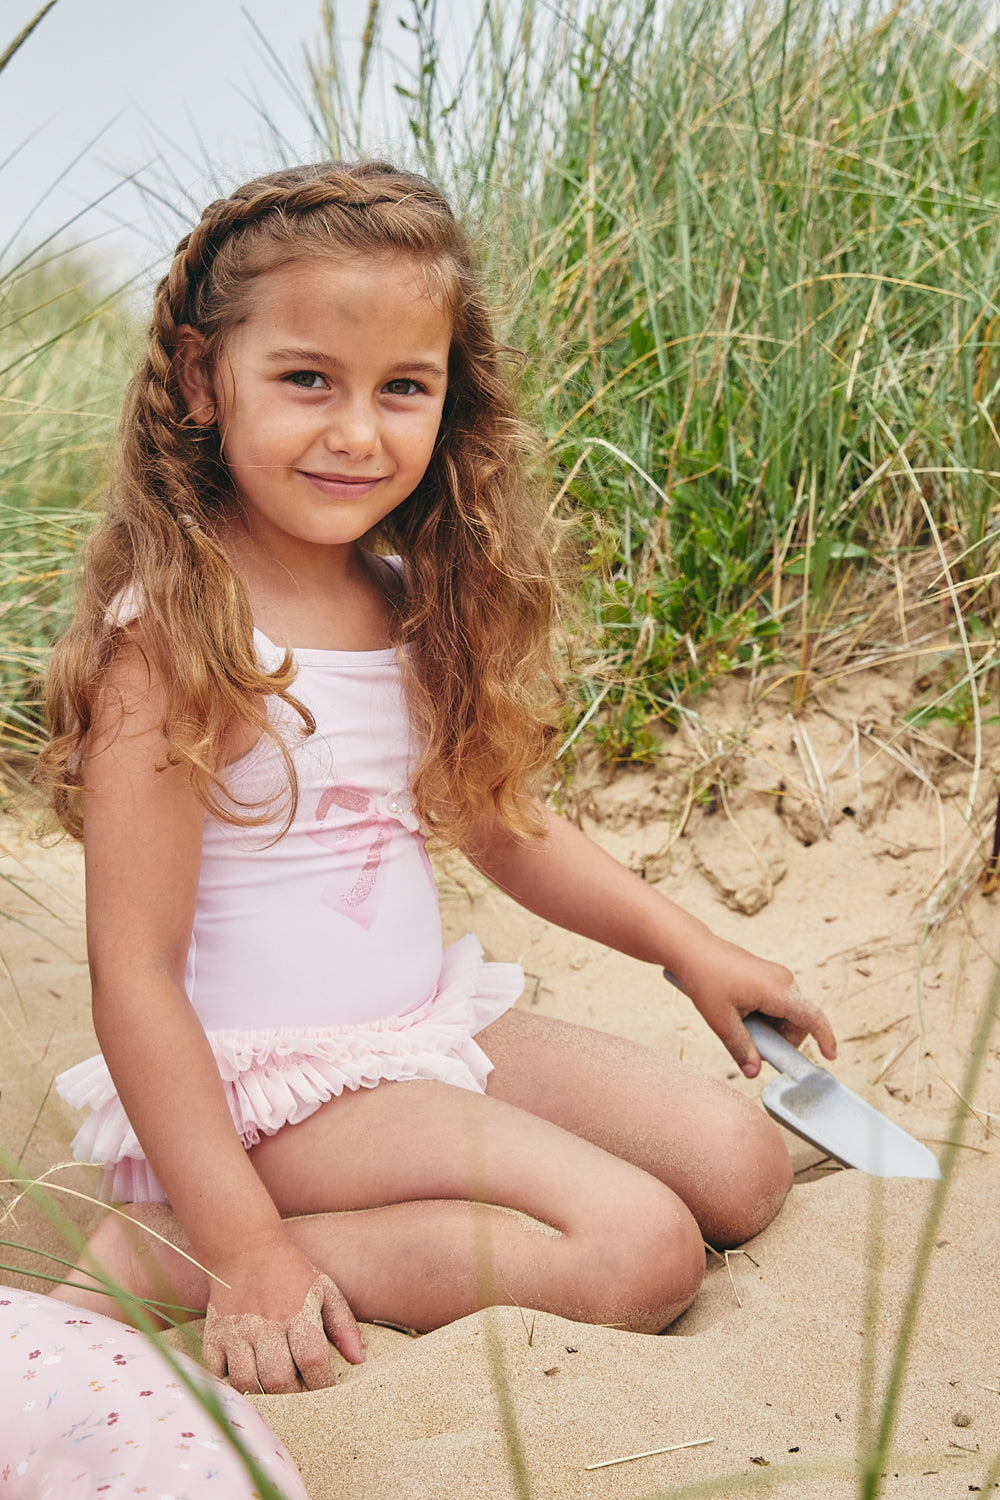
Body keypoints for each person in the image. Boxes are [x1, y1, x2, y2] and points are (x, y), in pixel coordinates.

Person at [39, 159, 836, 1398]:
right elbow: (133, 974)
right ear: (203, 379)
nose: (358, 431)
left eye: (402, 388)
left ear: (448, 398)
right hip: (271, 1089)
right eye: (308, 379)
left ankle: (270, 1227)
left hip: (420, 1033)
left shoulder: (402, 600)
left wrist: (689, 950)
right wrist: (250, 1246)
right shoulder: (177, 637)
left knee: (739, 1162)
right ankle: (179, 1255)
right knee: (637, 1250)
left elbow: (500, 825)